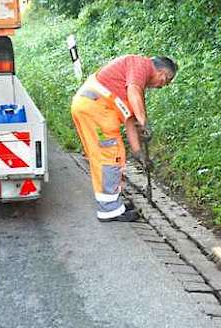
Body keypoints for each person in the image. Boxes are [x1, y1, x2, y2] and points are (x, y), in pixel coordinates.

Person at [71, 55, 177, 222]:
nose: (162, 86)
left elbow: (130, 120)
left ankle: (113, 203)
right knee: (110, 157)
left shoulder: (132, 82)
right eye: (166, 82)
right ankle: (109, 210)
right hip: (95, 110)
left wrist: (139, 154)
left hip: (91, 109)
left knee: (111, 154)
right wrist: (144, 122)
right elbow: (134, 95)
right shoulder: (140, 65)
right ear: (163, 74)